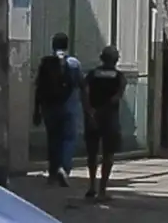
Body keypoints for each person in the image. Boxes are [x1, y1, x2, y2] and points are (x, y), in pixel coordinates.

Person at [34, 32, 84, 187]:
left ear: (53, 45)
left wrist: (36, 111)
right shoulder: (74, 63)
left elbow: (39, 87)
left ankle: (52, 172)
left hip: (49, 107)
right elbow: (81, 85)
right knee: (68, 138)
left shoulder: (46, 63)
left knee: (53, 139)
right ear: (67, 45)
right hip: (69, 106)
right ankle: (64, 168)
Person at [83, 46, 127, 200]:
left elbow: (85, 94)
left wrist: (91, 112)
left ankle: (91, 186)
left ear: (101, 58)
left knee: (92, 154)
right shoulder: (119, 77)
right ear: (116, 60)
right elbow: (117, 97)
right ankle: (102, 189)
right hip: (110, 119)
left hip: (92, 117)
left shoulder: (92, 75)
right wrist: (104, 111)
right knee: (108, 155)